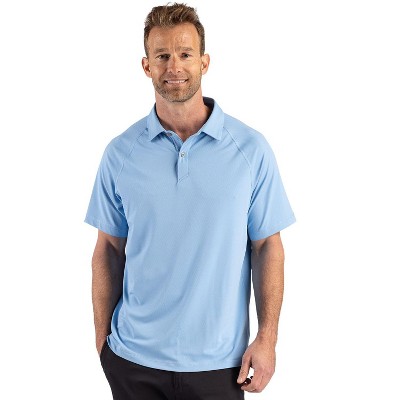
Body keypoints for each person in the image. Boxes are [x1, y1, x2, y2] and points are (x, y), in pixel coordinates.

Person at [85, 3, 295, 399]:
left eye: (185, 54)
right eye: (162, 55)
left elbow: (268, 244)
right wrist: (103, 345)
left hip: (220, 365)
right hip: (133, 361)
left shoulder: (250, 150)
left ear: (204, 62)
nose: (174, 66)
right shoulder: (120, 153)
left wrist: (267, 338)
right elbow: (108, 249)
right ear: (146, 66)